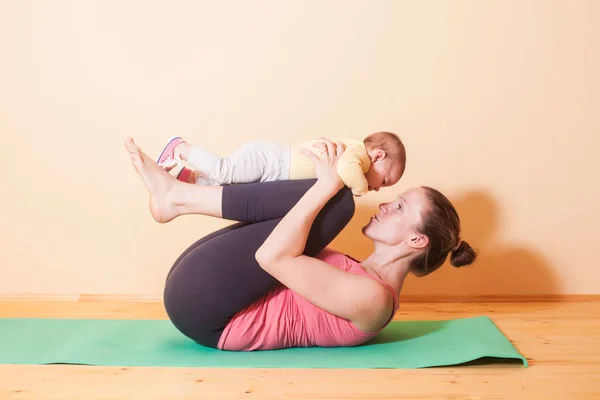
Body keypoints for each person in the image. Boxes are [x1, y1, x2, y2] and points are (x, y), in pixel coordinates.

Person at [124, 136, 477, 351]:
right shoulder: (358, 272)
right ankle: (180, 196)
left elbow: (270, 256)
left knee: (337, 202)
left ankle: (180, 197)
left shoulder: (376, 299)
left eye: (400, 206)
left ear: (417, 239)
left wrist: (327, 185)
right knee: (332, 200)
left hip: (209, 313)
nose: (384, 203)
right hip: (205, 296)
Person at [155, 131, 406, 196]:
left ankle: (187, 177)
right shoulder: (358, 155)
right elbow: (347, 169)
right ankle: (180, 147)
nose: (378, 187)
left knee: (226, 186)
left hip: (273, 173)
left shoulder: (358, 156)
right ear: (378, 157)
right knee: (224, 170)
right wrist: (360, 189)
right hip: (270, 160)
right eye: (384, 181)